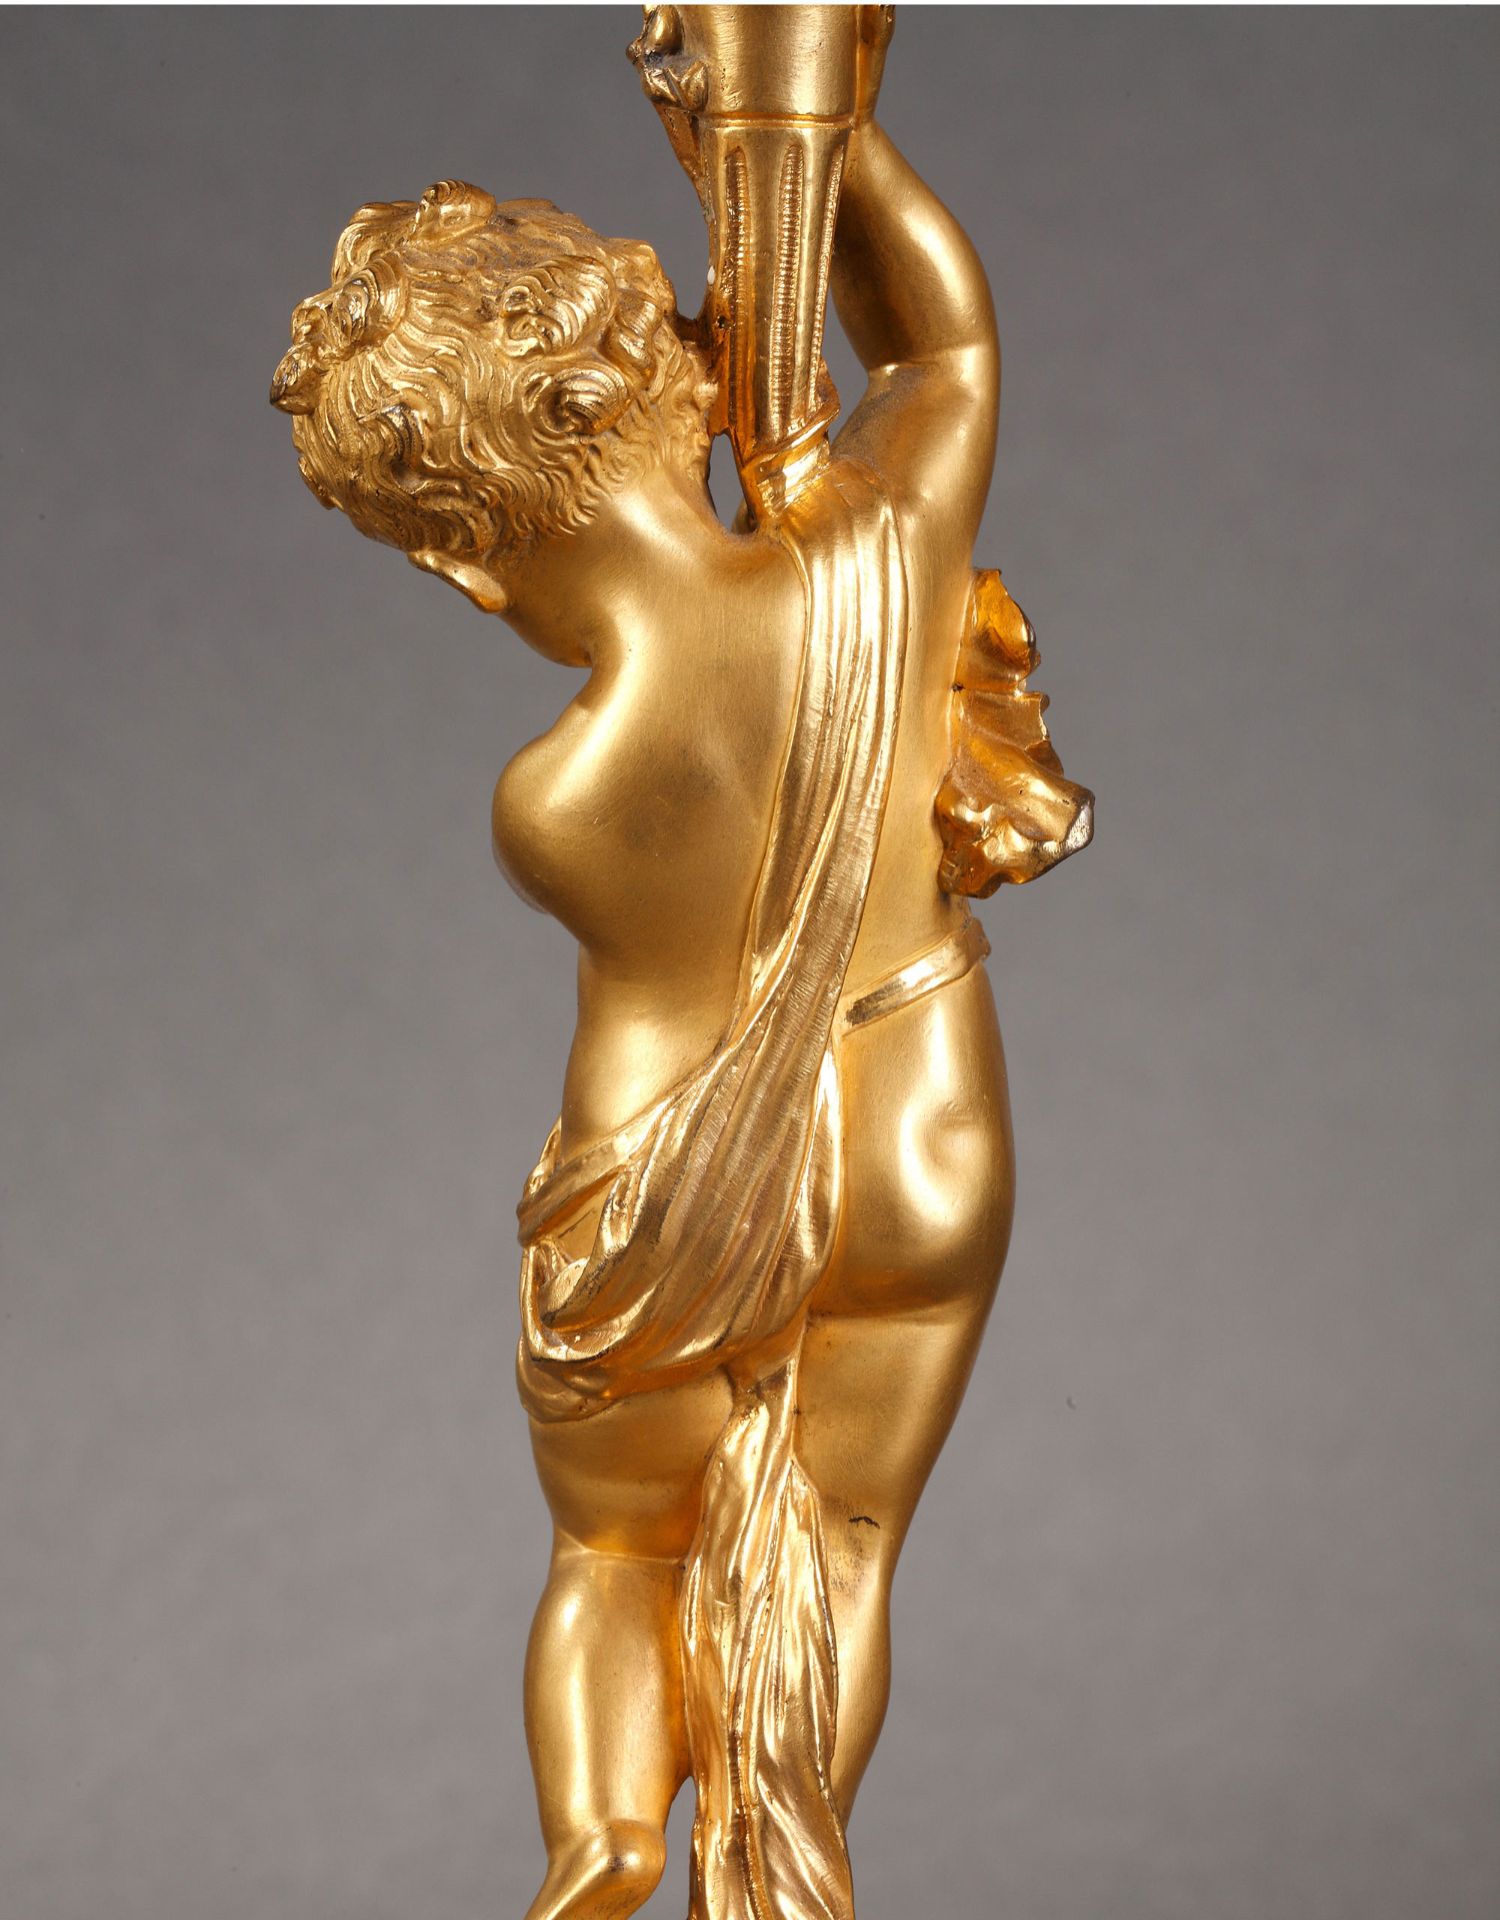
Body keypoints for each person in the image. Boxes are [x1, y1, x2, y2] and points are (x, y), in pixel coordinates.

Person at [273, 103, 1087, 1920]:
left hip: (651, 1217)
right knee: (840, 1542)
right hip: (914, 1146)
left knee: (615, 1548)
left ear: (460, 560)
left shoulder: (554, 800)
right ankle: (782, 1866)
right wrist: (816, 140)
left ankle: (604, 1845)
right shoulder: (880, 553)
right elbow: (942, 348)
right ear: (684, 386)